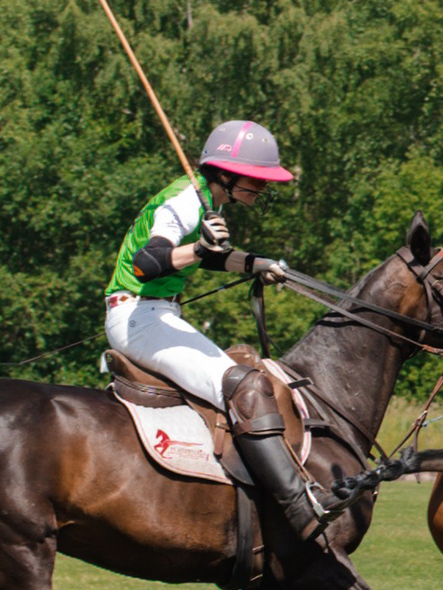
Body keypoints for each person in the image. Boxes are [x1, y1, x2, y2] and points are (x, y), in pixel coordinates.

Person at [104, 119, 319, 541]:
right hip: (139, 316)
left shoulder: (208, 201)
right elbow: (147, 263)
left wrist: (255, 263)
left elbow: (213, 257)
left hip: (157, 314)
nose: (262, 187)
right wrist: (200, 246)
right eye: (255, 179)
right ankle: (297, 504)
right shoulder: (185, 200)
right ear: (225, 174)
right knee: (242, 385)